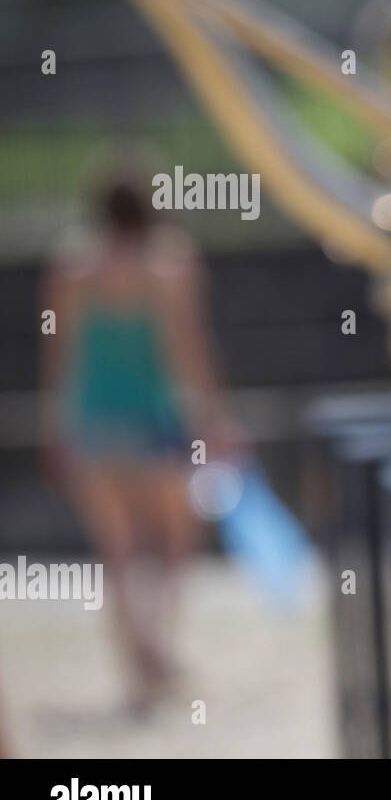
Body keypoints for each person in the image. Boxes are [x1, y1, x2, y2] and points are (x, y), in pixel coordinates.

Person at [40, 169, 241, 711]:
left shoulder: (72, 265)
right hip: (156, 424)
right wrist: (216, 419)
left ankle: (138, 659)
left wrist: (53, 425)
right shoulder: (170, 262)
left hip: (93, 423)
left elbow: (57, 352)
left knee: (119, 552)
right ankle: (155, 645)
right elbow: (191, 348)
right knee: (176, 541)